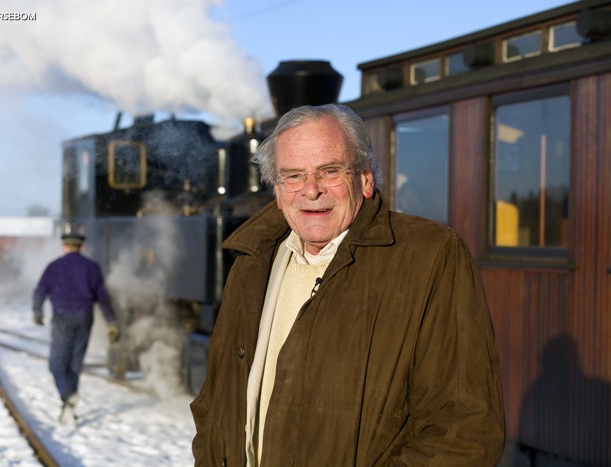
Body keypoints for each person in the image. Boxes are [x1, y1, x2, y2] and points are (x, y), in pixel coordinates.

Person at [190, 104, 505, 466]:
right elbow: (215, 402)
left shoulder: (430, 256)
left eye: (329, 171)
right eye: (293, 175)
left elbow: (465, 429)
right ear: (277, 190)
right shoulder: (251, 263)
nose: (311, 190)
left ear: (365, 179)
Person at [33, 231, 119, 423]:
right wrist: (111, 322)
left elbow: (40, 291)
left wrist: (37, 312)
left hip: (62, 317)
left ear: (65, 247)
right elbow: (103, 298)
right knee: (74, 364)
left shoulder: (54, 267)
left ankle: (67, 395)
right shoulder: (92, 267)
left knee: (56, 364)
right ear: (82, 247)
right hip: (84, 317)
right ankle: (69, 408)